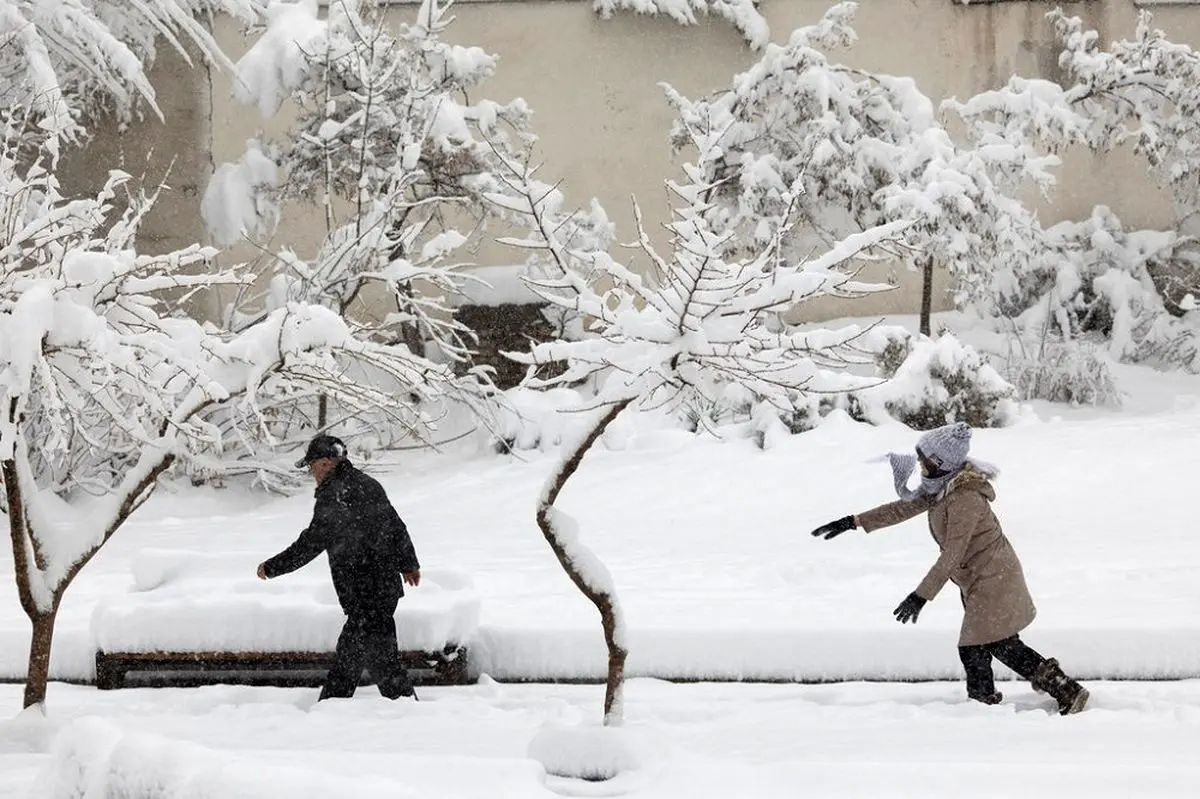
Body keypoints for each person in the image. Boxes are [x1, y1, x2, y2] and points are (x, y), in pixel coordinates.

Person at [810, 422, 1089, 715]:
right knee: (996, 643)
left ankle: (997, 703)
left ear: (940, 463)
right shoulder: (942, 487)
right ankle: (1047, 693)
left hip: (994, 578)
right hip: (982, 578)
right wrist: (853, 521)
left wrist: (920, 595)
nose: (919, 463)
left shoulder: (964, 498)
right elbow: (901, 508)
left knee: (978, 645)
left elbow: (952, 554)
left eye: (924, 458)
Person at [257, 434, 422, 702]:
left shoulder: (335, 495)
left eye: (312, 467)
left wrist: (273, 567)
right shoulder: (368, 484)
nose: (312, 473)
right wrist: (408, 564)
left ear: (324, 463)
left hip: (363, 590)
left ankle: (350, 705)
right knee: (362, 655)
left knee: (371, 658)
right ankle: (342, 703)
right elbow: (396, 526)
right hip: (381, 587)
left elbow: (312, 542)